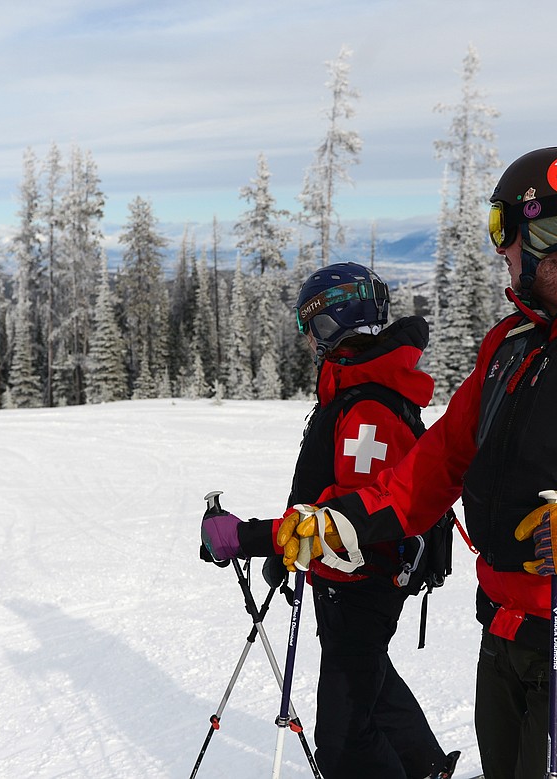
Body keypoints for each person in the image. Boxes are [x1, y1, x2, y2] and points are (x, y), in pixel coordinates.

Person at [213, 147, 557, 778]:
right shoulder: (513, 343)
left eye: (502, 230)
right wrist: (340, 520)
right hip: (509, 623)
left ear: (551, 234)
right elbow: (431, 466)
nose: (500, 251)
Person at [201, 261, 460, 779]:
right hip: (350, 576)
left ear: (336, 325)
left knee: (344, 742)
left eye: (313, 327)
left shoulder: (367, 408)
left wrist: (246, 537)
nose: (310, 342)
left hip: (363, 580)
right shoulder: (354, 392)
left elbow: (349, 519)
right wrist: (283, 550)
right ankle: (424, 765)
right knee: (367, 676)